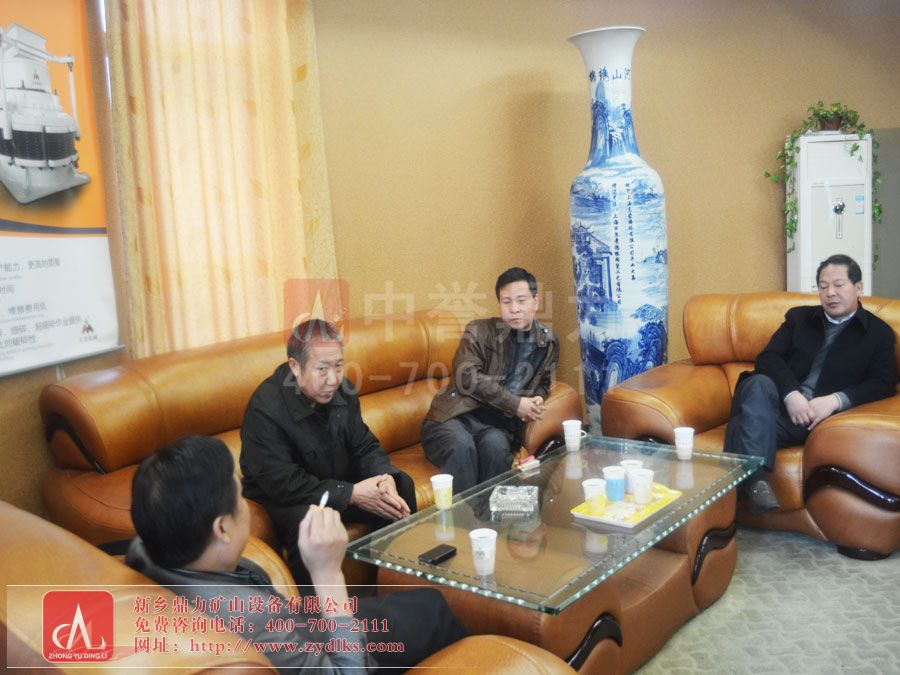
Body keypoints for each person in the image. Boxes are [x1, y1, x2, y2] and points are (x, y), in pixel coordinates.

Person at [127, 436, 467, 672]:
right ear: (222, 529)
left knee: (420, 604)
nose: (245, 505)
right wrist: (327, 574)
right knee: (434, 612)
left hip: (301, 625)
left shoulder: (145, 548)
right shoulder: (252, 620)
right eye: (239, 497)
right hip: (322, 648)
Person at [240, 319, 415, 584]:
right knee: (311, 523)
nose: (333, 380)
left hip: (335, 484)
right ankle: (316, 608)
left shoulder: (342, 390)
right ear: (295, 367)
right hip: (289, 498)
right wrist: (350, 493)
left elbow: (364, 445)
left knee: (400, 489)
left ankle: (390, 585)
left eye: (339, 366)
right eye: (322, 369)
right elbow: (282, 483)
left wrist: (384, 476)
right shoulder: (265, 408)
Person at [724, 254, 897, 513]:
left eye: (839, 285)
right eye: (823, 286)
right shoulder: (799, 318)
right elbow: (768, 358)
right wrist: (791, 394)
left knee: (741, 426)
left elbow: (883, 383)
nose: (830, 293)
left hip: (809, 419)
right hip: (771, 400)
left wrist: (835, 401)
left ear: (858, 288)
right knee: (758, 383)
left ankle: (742, 492)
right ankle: (757, 482)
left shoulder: (878, 333)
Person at [422, 267, 560, 492]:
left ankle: (489, 515)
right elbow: (467, 376)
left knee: (495, 449)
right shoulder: (478, 331)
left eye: (521, 300)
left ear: (536, 302)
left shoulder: (548, 342)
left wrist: (538, 398)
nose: (514, 309)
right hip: (453, 418)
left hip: (496, 428)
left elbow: (545, 382)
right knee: (461, 445)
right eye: (506, 302)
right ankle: (462, 516)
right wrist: (515, 404)